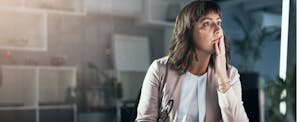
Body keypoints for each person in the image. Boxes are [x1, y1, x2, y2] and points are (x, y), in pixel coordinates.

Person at [136, 1, 249, 122]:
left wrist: (221, 76)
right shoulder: (159, 69)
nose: (218, 30)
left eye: (218, 22)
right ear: (188, 32)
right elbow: (145, 119)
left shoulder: (230, 75)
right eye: (206, 23)